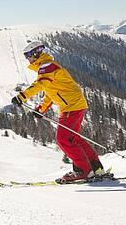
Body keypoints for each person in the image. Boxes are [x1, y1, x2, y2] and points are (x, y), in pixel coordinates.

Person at [11, 41, 105, 183]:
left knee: (63, 139)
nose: (27, 59)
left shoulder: (47, 66)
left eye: (28, 56)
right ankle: (95, 168)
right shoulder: (46, 67)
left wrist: (22, 97)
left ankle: (82, 171)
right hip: (73, 105)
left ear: (35, 54)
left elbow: (40, 84)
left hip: (72, 106)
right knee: (74, 138)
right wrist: (41, 109)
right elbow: (51, 92)